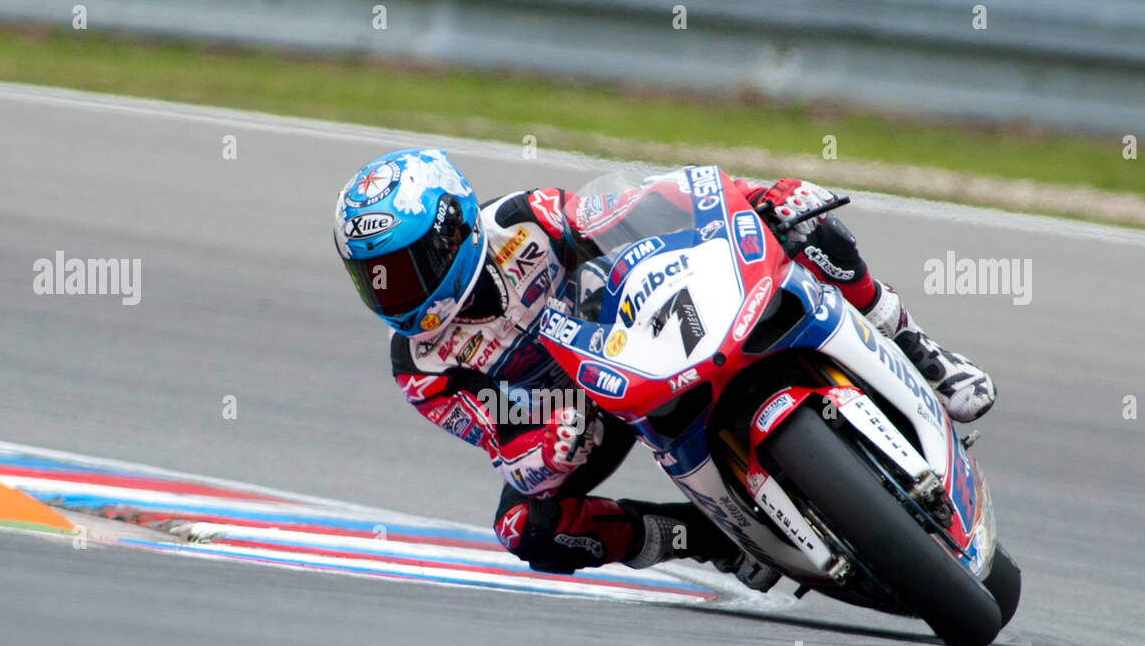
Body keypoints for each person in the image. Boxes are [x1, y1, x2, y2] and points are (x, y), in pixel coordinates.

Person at [333, 148, 995, 585]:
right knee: (523, 528)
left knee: (798, 222)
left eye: (402, 268)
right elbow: (499, 442)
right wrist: (548, 444)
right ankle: (708, 539)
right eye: (374, 280)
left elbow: (628, 210)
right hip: (580, 412)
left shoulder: (522, 222)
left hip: (630, 327)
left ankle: (916, 348)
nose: (394, 292)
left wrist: (752, 197)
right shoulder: (419, 364)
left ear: (453, 231)